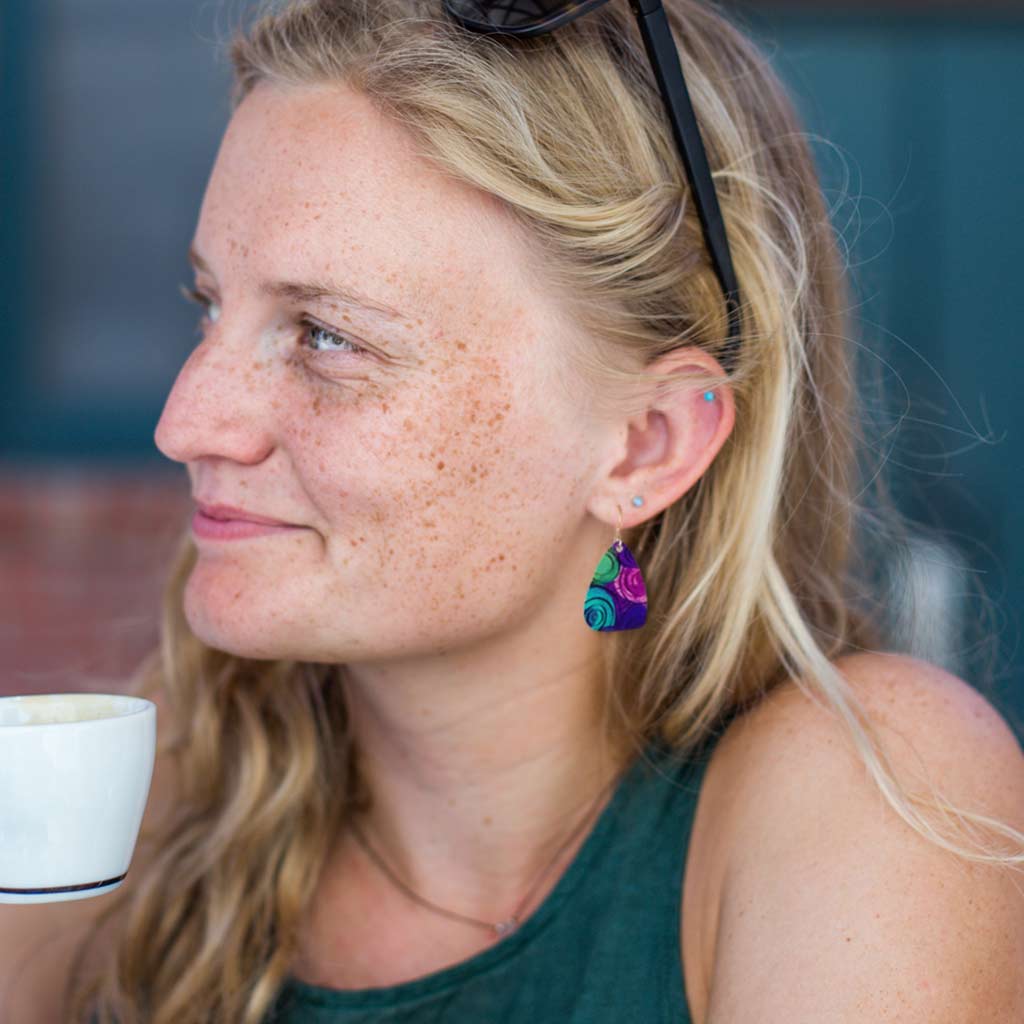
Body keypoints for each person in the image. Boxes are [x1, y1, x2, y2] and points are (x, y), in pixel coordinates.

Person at [49, 0, 1023, 1021]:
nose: (187, 421)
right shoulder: (133, 830)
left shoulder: (870, 799)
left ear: (647, 442)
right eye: (210, 305)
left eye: (326, 336)